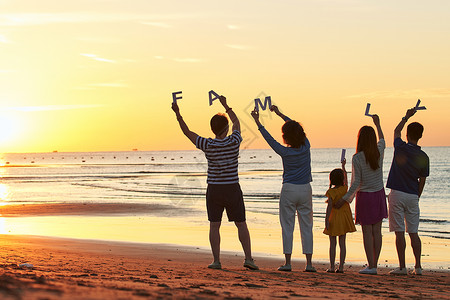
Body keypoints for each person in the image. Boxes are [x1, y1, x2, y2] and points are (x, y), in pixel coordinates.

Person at [171, 96, 258, 270]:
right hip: (232, 188)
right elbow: (237, 122)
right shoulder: (234, 141)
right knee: (241, 223)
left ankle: (216, 260)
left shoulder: (207, 144)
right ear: (226, 128)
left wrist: (178, 114)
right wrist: (225, 104)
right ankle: (248, 258)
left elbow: (187, 132)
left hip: (214, 190)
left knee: (214, 225)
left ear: (212, 129)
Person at [251, 105, 315, 272]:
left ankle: (288, 263)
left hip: (289, 189)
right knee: (306, 226)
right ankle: (309, 264)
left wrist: (258, 121)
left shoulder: (284, 151)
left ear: (286, 137)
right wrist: (280, 114)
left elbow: (269, 139)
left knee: (287, 226)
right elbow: (294, 126)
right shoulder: (306, 145)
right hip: (305, 189)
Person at [335, 115, 387, 275]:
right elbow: (383, 140)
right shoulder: (378, 152)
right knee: (377, 232)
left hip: (365, 197)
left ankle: (371, 265)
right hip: (379, 195)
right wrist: (377, 124)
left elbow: (356, 183)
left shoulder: (357, 158)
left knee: (367, 232)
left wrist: (344, 199)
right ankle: (374, 265)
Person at [386, 108, 429, 276]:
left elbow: (396, 130)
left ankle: (402, 266)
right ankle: (418, 266)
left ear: (407, 134)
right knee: (413, 232)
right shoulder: (423, 156)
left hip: (397, 192)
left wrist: (406, 116)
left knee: (399, 232)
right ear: (420, 136)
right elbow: (422, 179)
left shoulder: (401, 148)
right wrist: (417, 195)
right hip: (412, 195)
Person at [323, 159, 356, 273]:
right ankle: (341, 267)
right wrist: (344, 167)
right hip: (344, 218)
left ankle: (332, 267)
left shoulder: (331, 192)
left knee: (333, 243)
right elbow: (346, 179)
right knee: (343, 243)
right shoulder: (344, 189)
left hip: (334, 218)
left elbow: (329, 207)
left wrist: (326, 220)